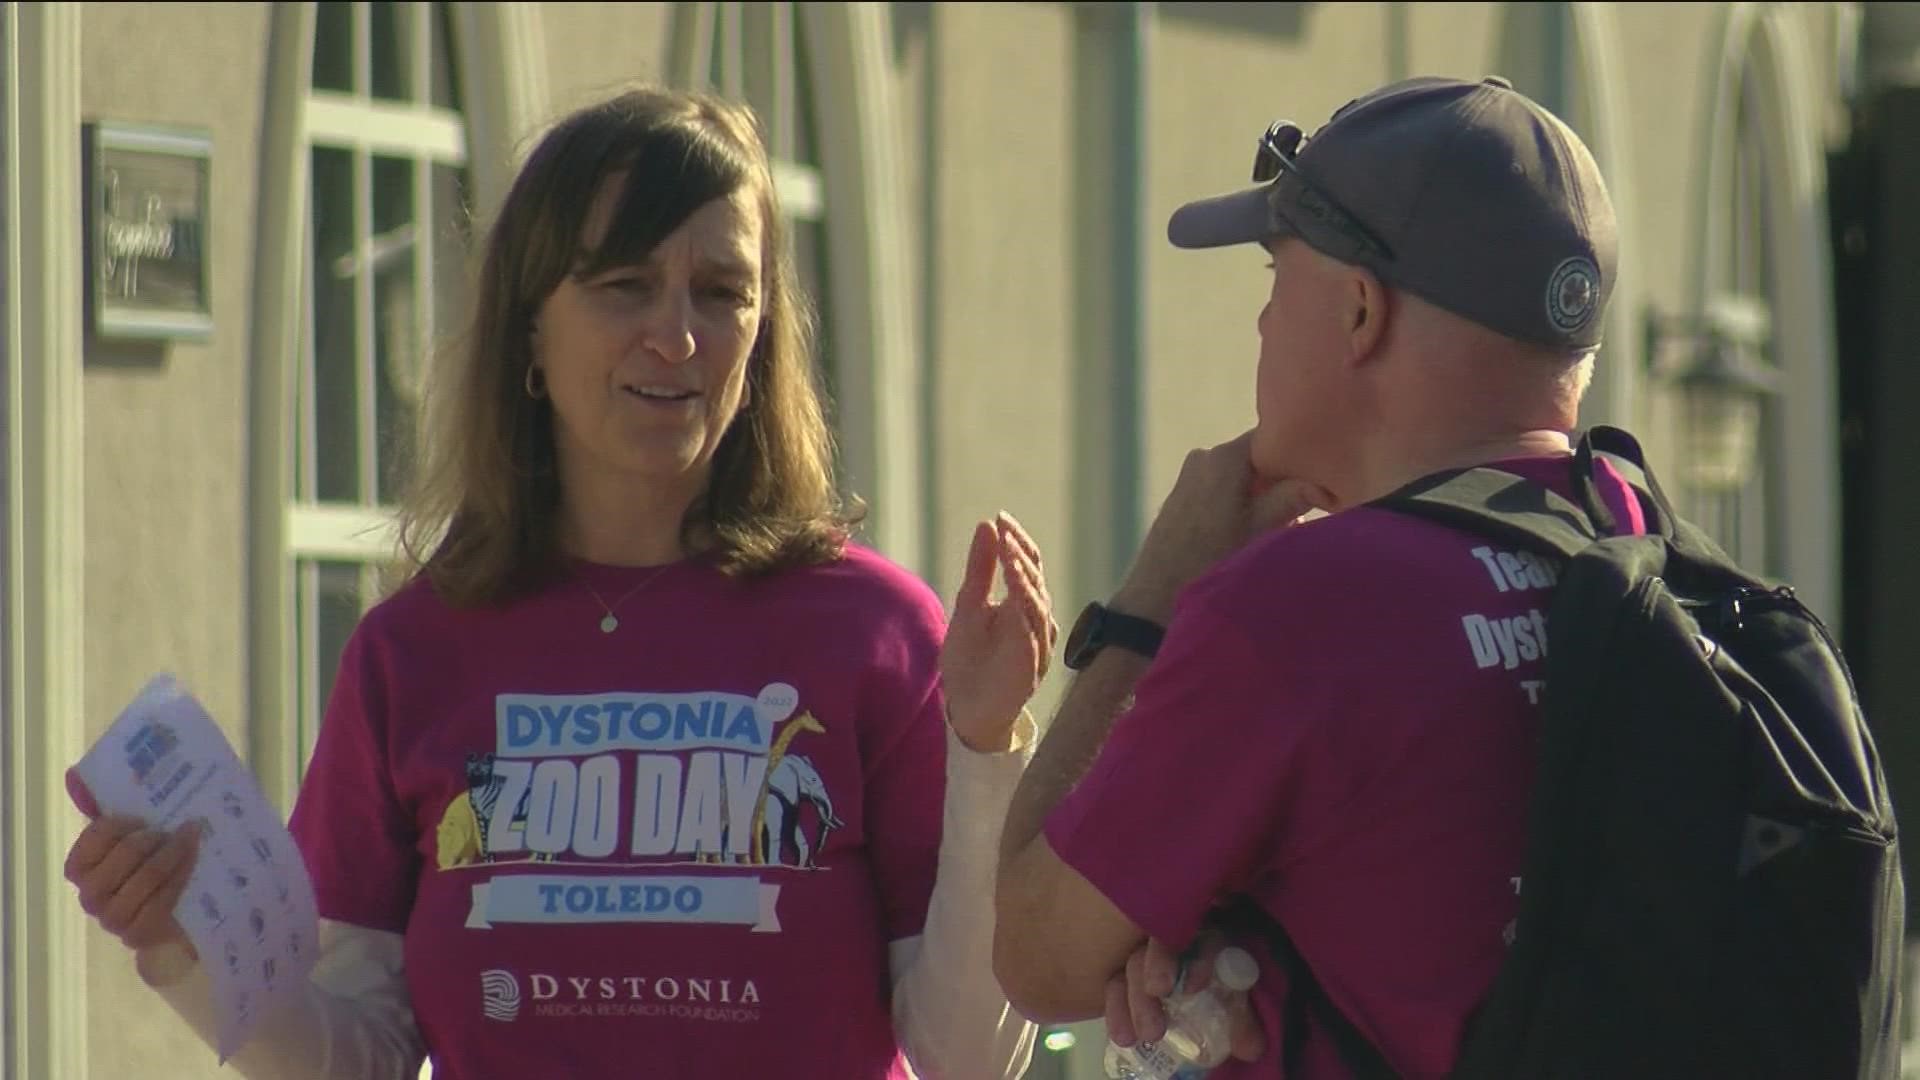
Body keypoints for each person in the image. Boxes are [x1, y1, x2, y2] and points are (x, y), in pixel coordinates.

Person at [64, 85, 1050, 1080]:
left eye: (720, 290)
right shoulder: (415, 651)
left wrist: (986, 748)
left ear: (763, 337)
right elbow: (359, 1057)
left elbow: (969, 1056)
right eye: (625, 284)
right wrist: (181, 948)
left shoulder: (874, 632)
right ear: (531, 329)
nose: (677, 336)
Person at [994, 74, 1645, 1077]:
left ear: (1357, 312)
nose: (1259, 327)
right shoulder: (1640, 544)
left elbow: (1035, 953)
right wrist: (1231, 938)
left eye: (1272, 279)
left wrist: (1152, 599)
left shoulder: (1304, 606)